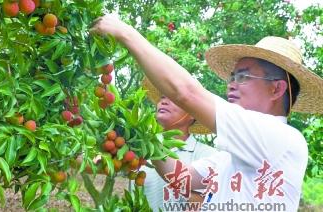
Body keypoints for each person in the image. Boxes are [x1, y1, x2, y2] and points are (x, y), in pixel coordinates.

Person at [90, 15, 323, 211]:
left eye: (242, 76)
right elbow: (182, 179)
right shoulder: (230, 157)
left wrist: (125, 33)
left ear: (276, 88)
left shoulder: (282, 138)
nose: (231, 84)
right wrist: (144, 138)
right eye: (232, 77)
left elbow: (186, 93)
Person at [139, 78, 217, 211]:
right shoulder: (141, 149)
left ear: (192, 114)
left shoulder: (207, 155)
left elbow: (206, 203)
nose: (163, 101)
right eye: (162, 97)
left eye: (174, 99)